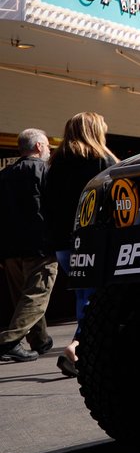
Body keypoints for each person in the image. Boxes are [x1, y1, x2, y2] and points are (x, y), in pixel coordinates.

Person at [46, 112, 118, 377]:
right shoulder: (103, 160)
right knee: (95, 297)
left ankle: (85, 352)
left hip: (63, 244)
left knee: (83, 295)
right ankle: (78, 348)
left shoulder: (55, 163)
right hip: (93, 241)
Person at [0, 129, 57, 363]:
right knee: (37, 295)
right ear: (38, 147)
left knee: (25, 297)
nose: (49, 150)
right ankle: (8, 342)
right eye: (47, 146)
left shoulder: (4, 175)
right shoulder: (45, 171)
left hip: (10, 249)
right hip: (39, 246)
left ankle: (40, 340)